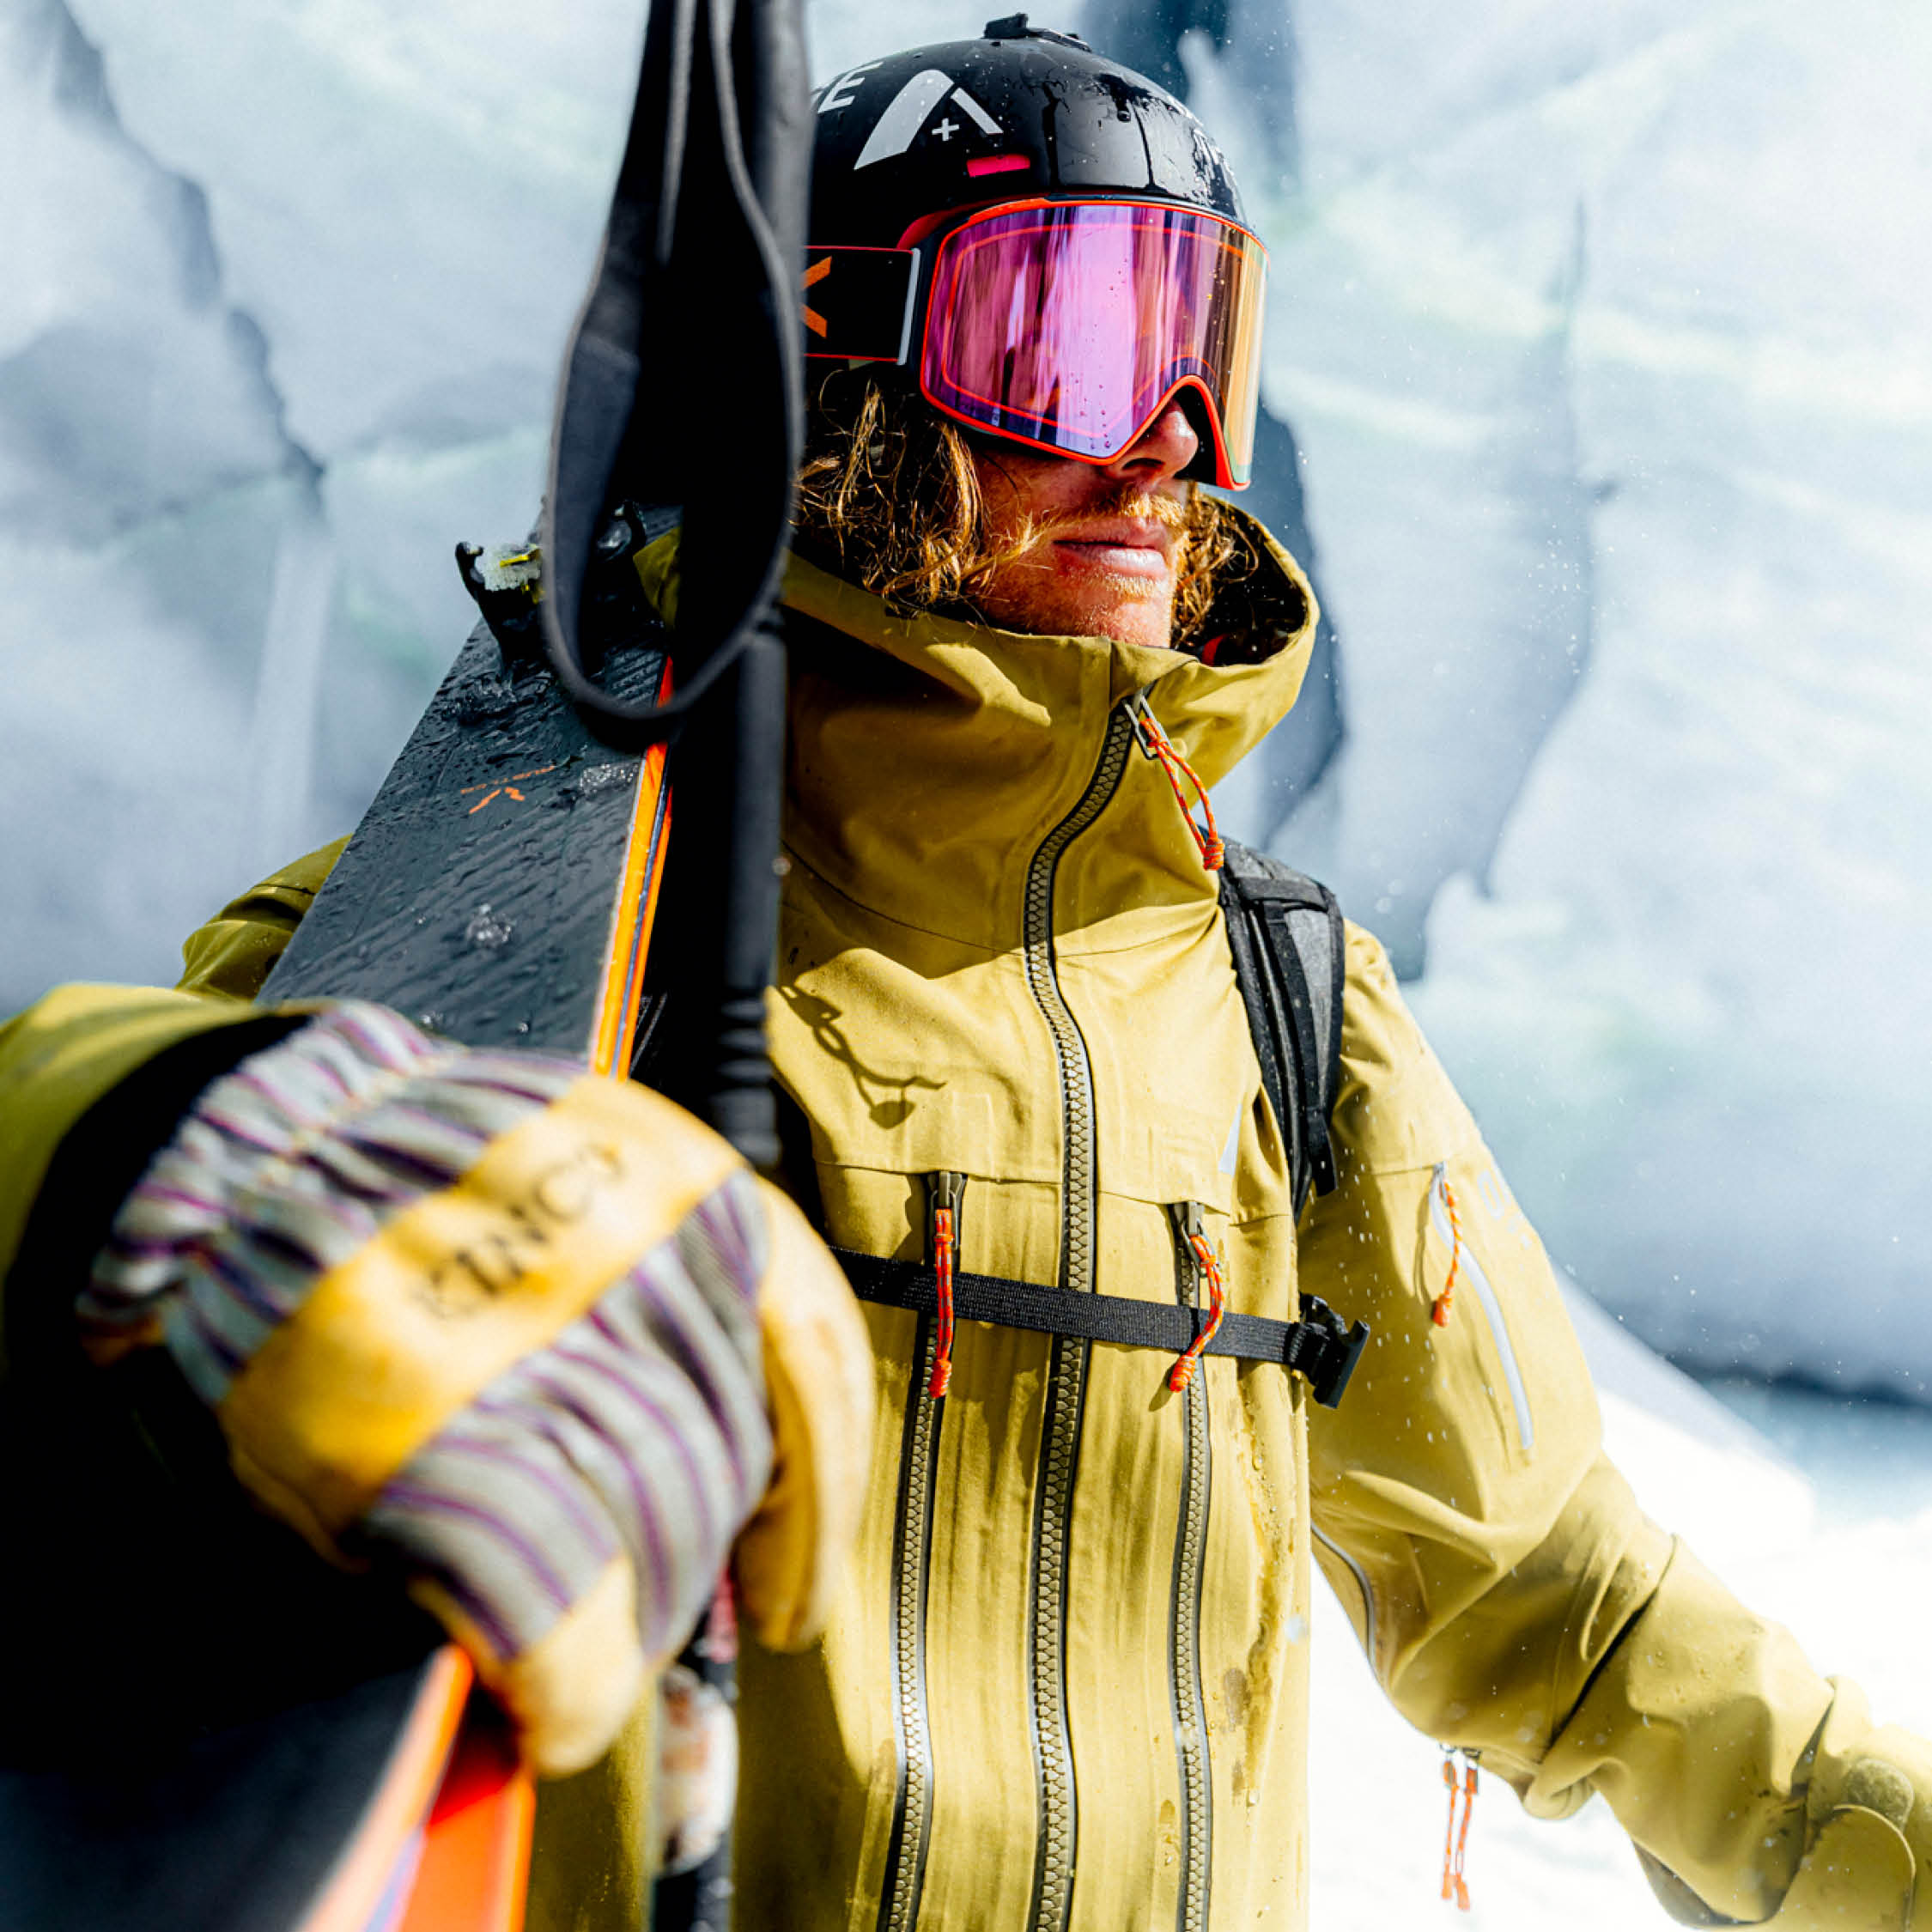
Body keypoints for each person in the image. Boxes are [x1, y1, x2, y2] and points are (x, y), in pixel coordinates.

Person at [3, 15, 1929, 1932]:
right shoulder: (520, 918)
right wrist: (140, 1149)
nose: (1173, 443)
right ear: (836, 384)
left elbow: (1567, 1609)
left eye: (1203, 345)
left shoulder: (1281, 1009)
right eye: (1070, 344)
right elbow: (74, 1230)